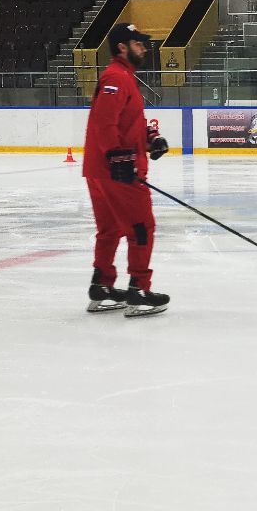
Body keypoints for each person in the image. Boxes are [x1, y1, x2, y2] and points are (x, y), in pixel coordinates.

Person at [83, 22, 171, 317]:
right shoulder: (116, 77)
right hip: (116, 170)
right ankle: (139, 289)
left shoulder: (123, 77)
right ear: (122, 47)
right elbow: (104, 122)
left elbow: (125, 123)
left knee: (110, 229)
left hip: (102, 168)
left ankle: (102, 285)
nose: (144, 49)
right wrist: (117, 157)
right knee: (142, 227)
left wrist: (150, 139)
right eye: (138, 44)